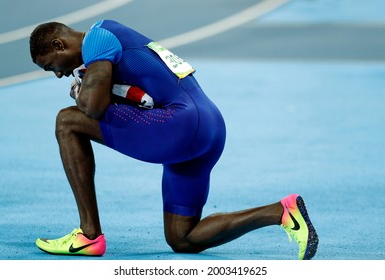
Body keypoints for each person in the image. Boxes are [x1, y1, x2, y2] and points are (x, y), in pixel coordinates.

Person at [29, 20, 318, 260]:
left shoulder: (97, 39)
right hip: (209, 127)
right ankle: (282, 212)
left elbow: (93, 106)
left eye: (50, 66)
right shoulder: (110, 42)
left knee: (67, 121)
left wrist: (78, 93)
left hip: (181, 125)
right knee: (183, 238)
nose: (57, 74)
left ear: (59, 45)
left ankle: (88, 235)